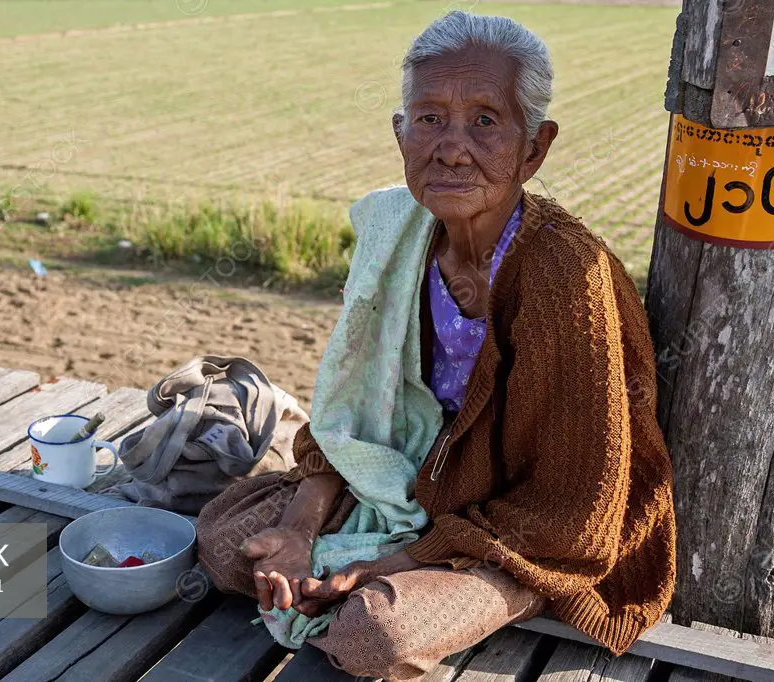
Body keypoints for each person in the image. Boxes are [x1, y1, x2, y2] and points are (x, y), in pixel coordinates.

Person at [197, 11, 676, 681]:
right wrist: (299, 534)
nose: (452, 147)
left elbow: (574, 513)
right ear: (400, 134)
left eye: (485, 121)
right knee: (224, 544)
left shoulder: (566, 276)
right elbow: (353, 419)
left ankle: (480, 589)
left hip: (520, 528)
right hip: (407, 479)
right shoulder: (395, 230)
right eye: (428, 119)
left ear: (533, 148)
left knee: (374, 630)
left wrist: (391, 566)